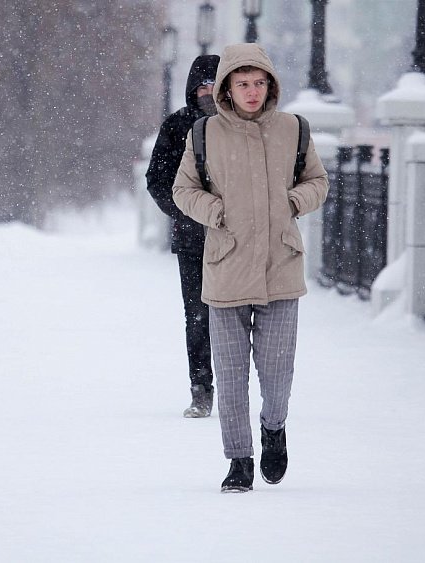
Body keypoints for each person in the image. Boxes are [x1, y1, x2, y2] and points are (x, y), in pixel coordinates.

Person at [172, 43, 329, 493]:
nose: (252, 91)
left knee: (278, 371)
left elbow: (317, 181)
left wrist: (293, 201)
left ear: (270, 85)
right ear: (227, 88)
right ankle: (238, 460)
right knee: (231, 372)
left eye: (259, 83)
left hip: (281, 265)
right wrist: (215, 210)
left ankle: (273, 427)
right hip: (225, 267)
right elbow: (183, 190)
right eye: (242, 84)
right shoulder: (204, 134)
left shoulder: (293, 130)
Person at [145, 54, 220, 419]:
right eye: (202, 85)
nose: (207, 92)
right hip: (193, 240)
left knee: (239, 316)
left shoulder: (239, 126)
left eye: (214, 84)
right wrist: (186, 214)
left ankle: (239, 388)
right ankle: (201, 388)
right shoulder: (177, 126)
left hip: (238, 240)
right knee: (198, 315)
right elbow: (156, 180)